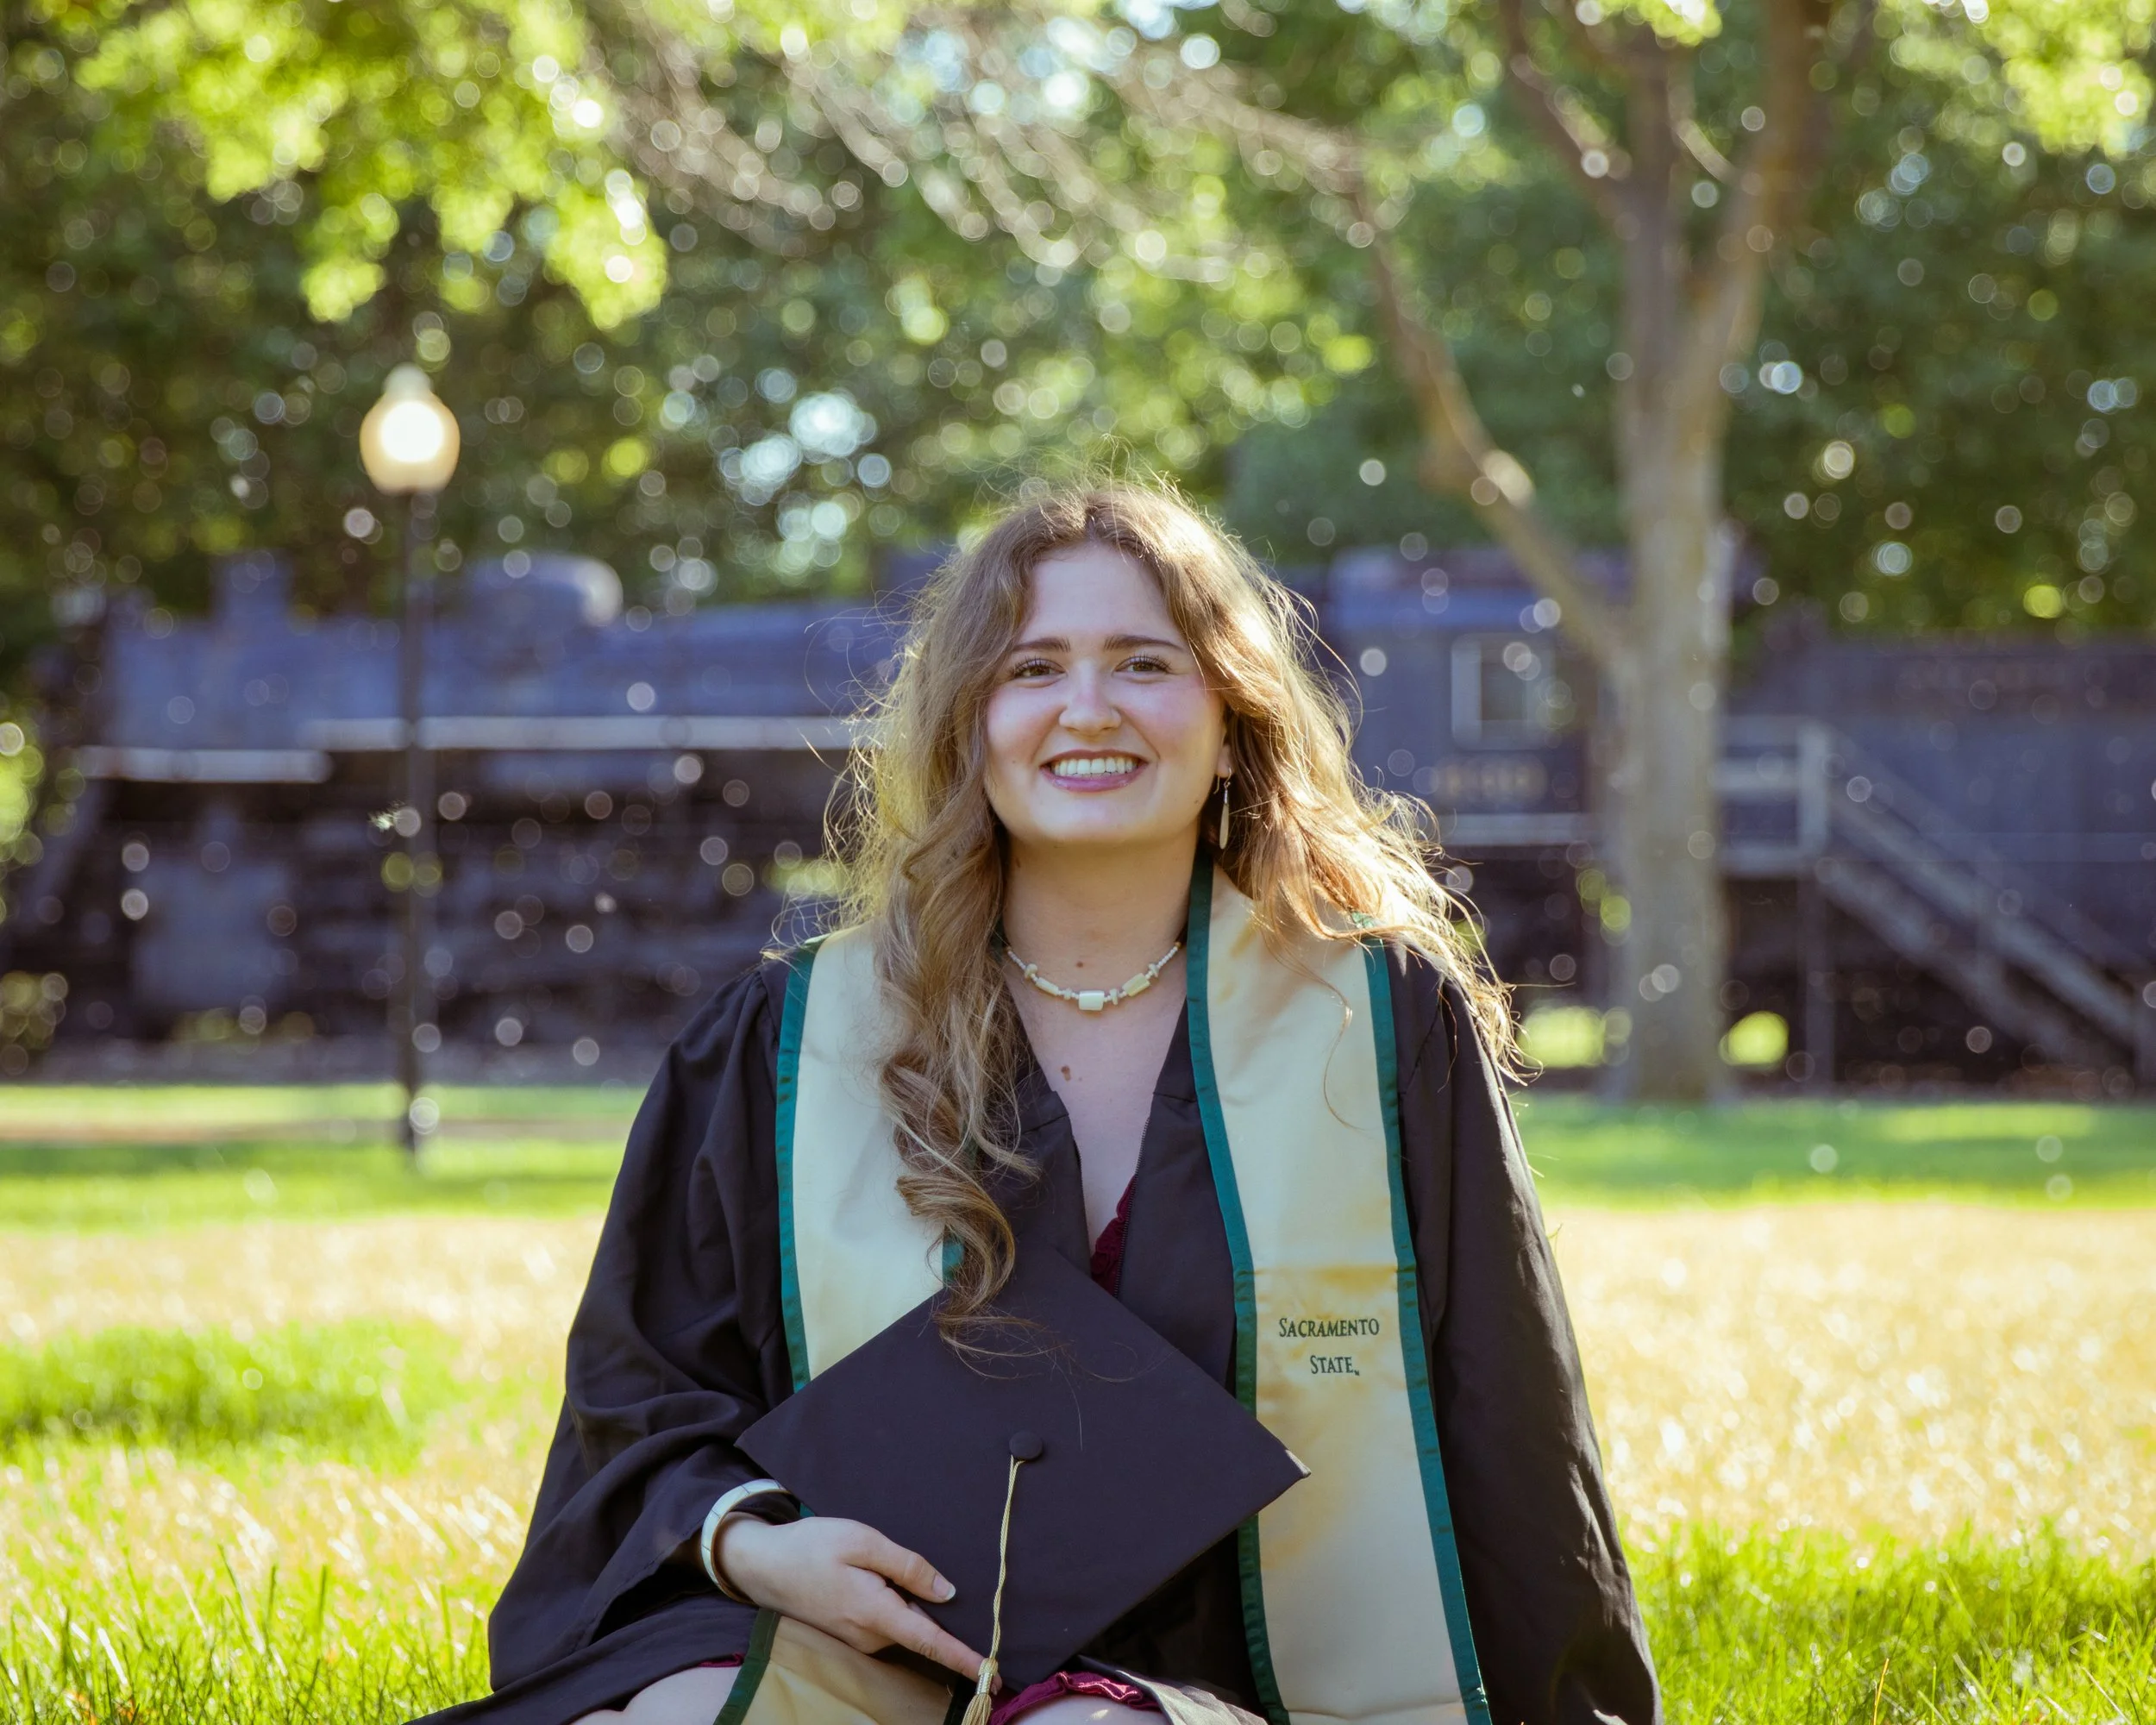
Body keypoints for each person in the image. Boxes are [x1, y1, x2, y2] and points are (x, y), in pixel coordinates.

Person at [417, 482, 1657, 1725]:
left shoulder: (1376, 1027)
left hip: (1243, 1672)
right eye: (1034, 669)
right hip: (858, 1639)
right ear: (970, 724)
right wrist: (755, 1546)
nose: (1088, 708)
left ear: (1232, 719)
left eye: (1145, 663)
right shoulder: (792, 1043)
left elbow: (1510, 1425)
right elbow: (643, 1400)